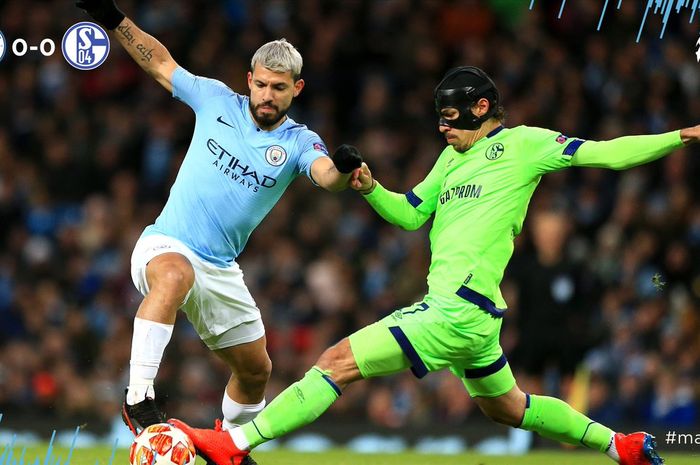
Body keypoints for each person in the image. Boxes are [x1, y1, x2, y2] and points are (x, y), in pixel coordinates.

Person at [170, 65, 700, 465]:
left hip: (453, 310)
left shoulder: (525, 146)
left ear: (481, 107)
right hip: (475, 319)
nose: (443, 129)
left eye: (450, 119)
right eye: (440, 120)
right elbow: (410, 214)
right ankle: (621, 447)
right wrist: (372, 188)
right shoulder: (451, 159)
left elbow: (609, 153)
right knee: (509, 408)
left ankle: (230, 444)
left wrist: (681, 136)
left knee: (335, 363)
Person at [75, 0, 363, 440]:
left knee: (255, 370)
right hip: (167, 244)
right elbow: (160, 63)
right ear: (249, 80)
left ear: (297, 89)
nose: (267, 96)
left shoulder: (300, 141)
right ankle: (137, 398)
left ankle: (231, 445)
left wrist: (342, 170)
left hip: (221, 267)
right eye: (262, 85)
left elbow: (326, 178)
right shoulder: (215, 100)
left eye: (279, 88)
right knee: (174, 275)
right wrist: (114, 19)